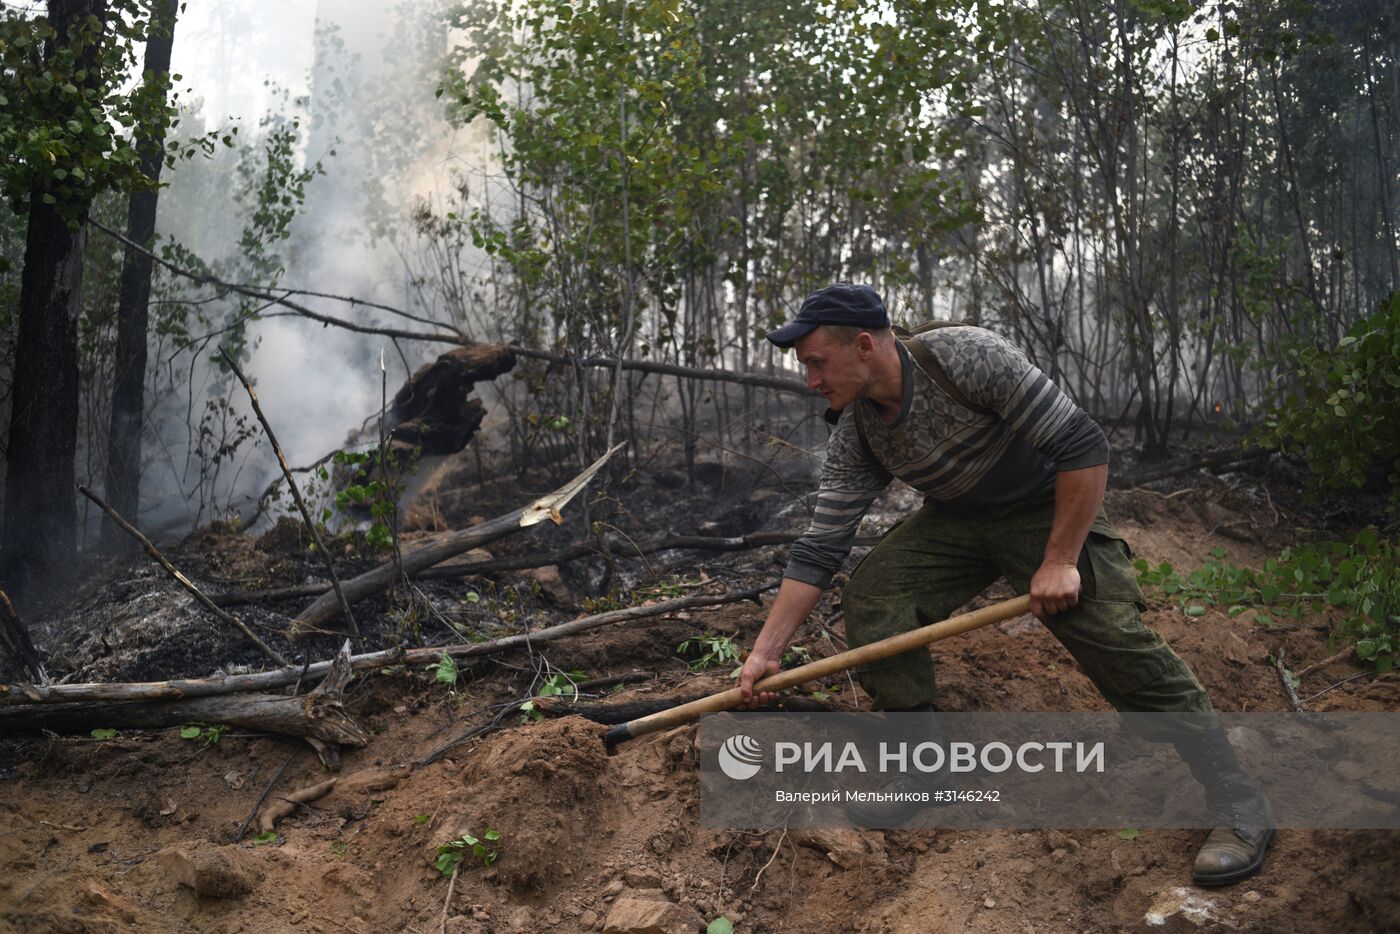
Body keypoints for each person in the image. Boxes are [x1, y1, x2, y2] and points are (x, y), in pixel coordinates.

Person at [737, 282, 1273, 887]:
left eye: (816, 362)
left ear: (863, 345)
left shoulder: (965, 358)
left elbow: (1083, 444)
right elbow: (821, 548)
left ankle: (1237, 799)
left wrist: (1061, 559)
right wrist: (766, 652)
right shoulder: (858, 432)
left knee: (1105, 633)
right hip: (959, 518)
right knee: (876, 596)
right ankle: (923, 771)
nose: (810, 380)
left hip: (1050, 502)